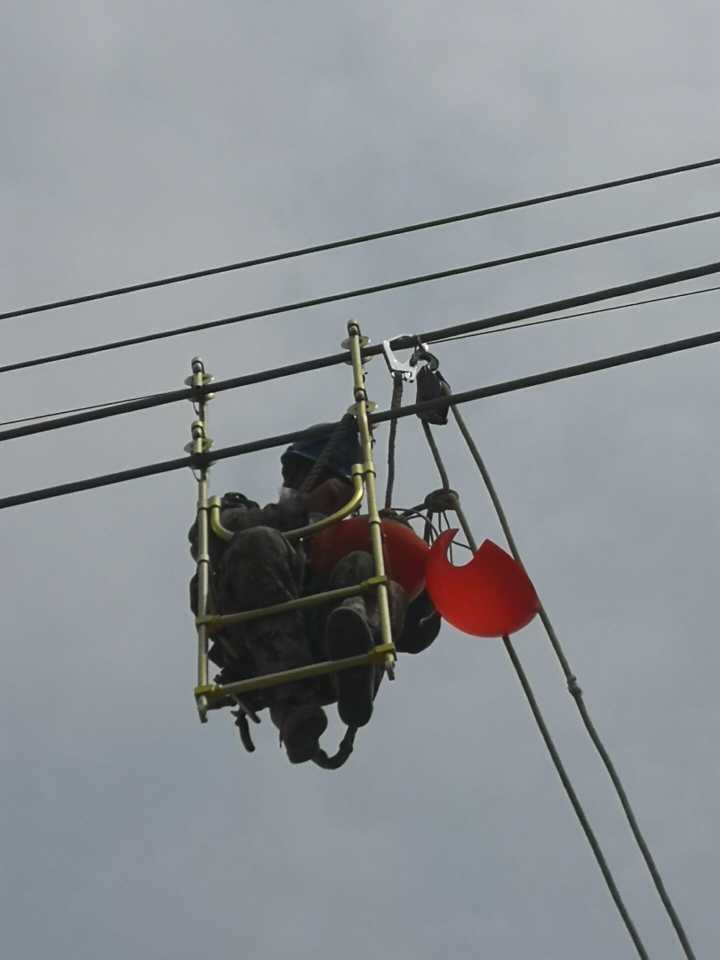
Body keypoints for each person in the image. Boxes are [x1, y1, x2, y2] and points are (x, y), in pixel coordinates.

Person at [189, 420, 441, 764]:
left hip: (327, 646)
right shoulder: (252, 518)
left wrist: (426, 579)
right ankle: (293, 707)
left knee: (367, 565)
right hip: (268, 651)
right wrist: (300, 510)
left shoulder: (361, 535)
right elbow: (206, 534)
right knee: (258, 542)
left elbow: (415, 636)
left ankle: (355, 656)